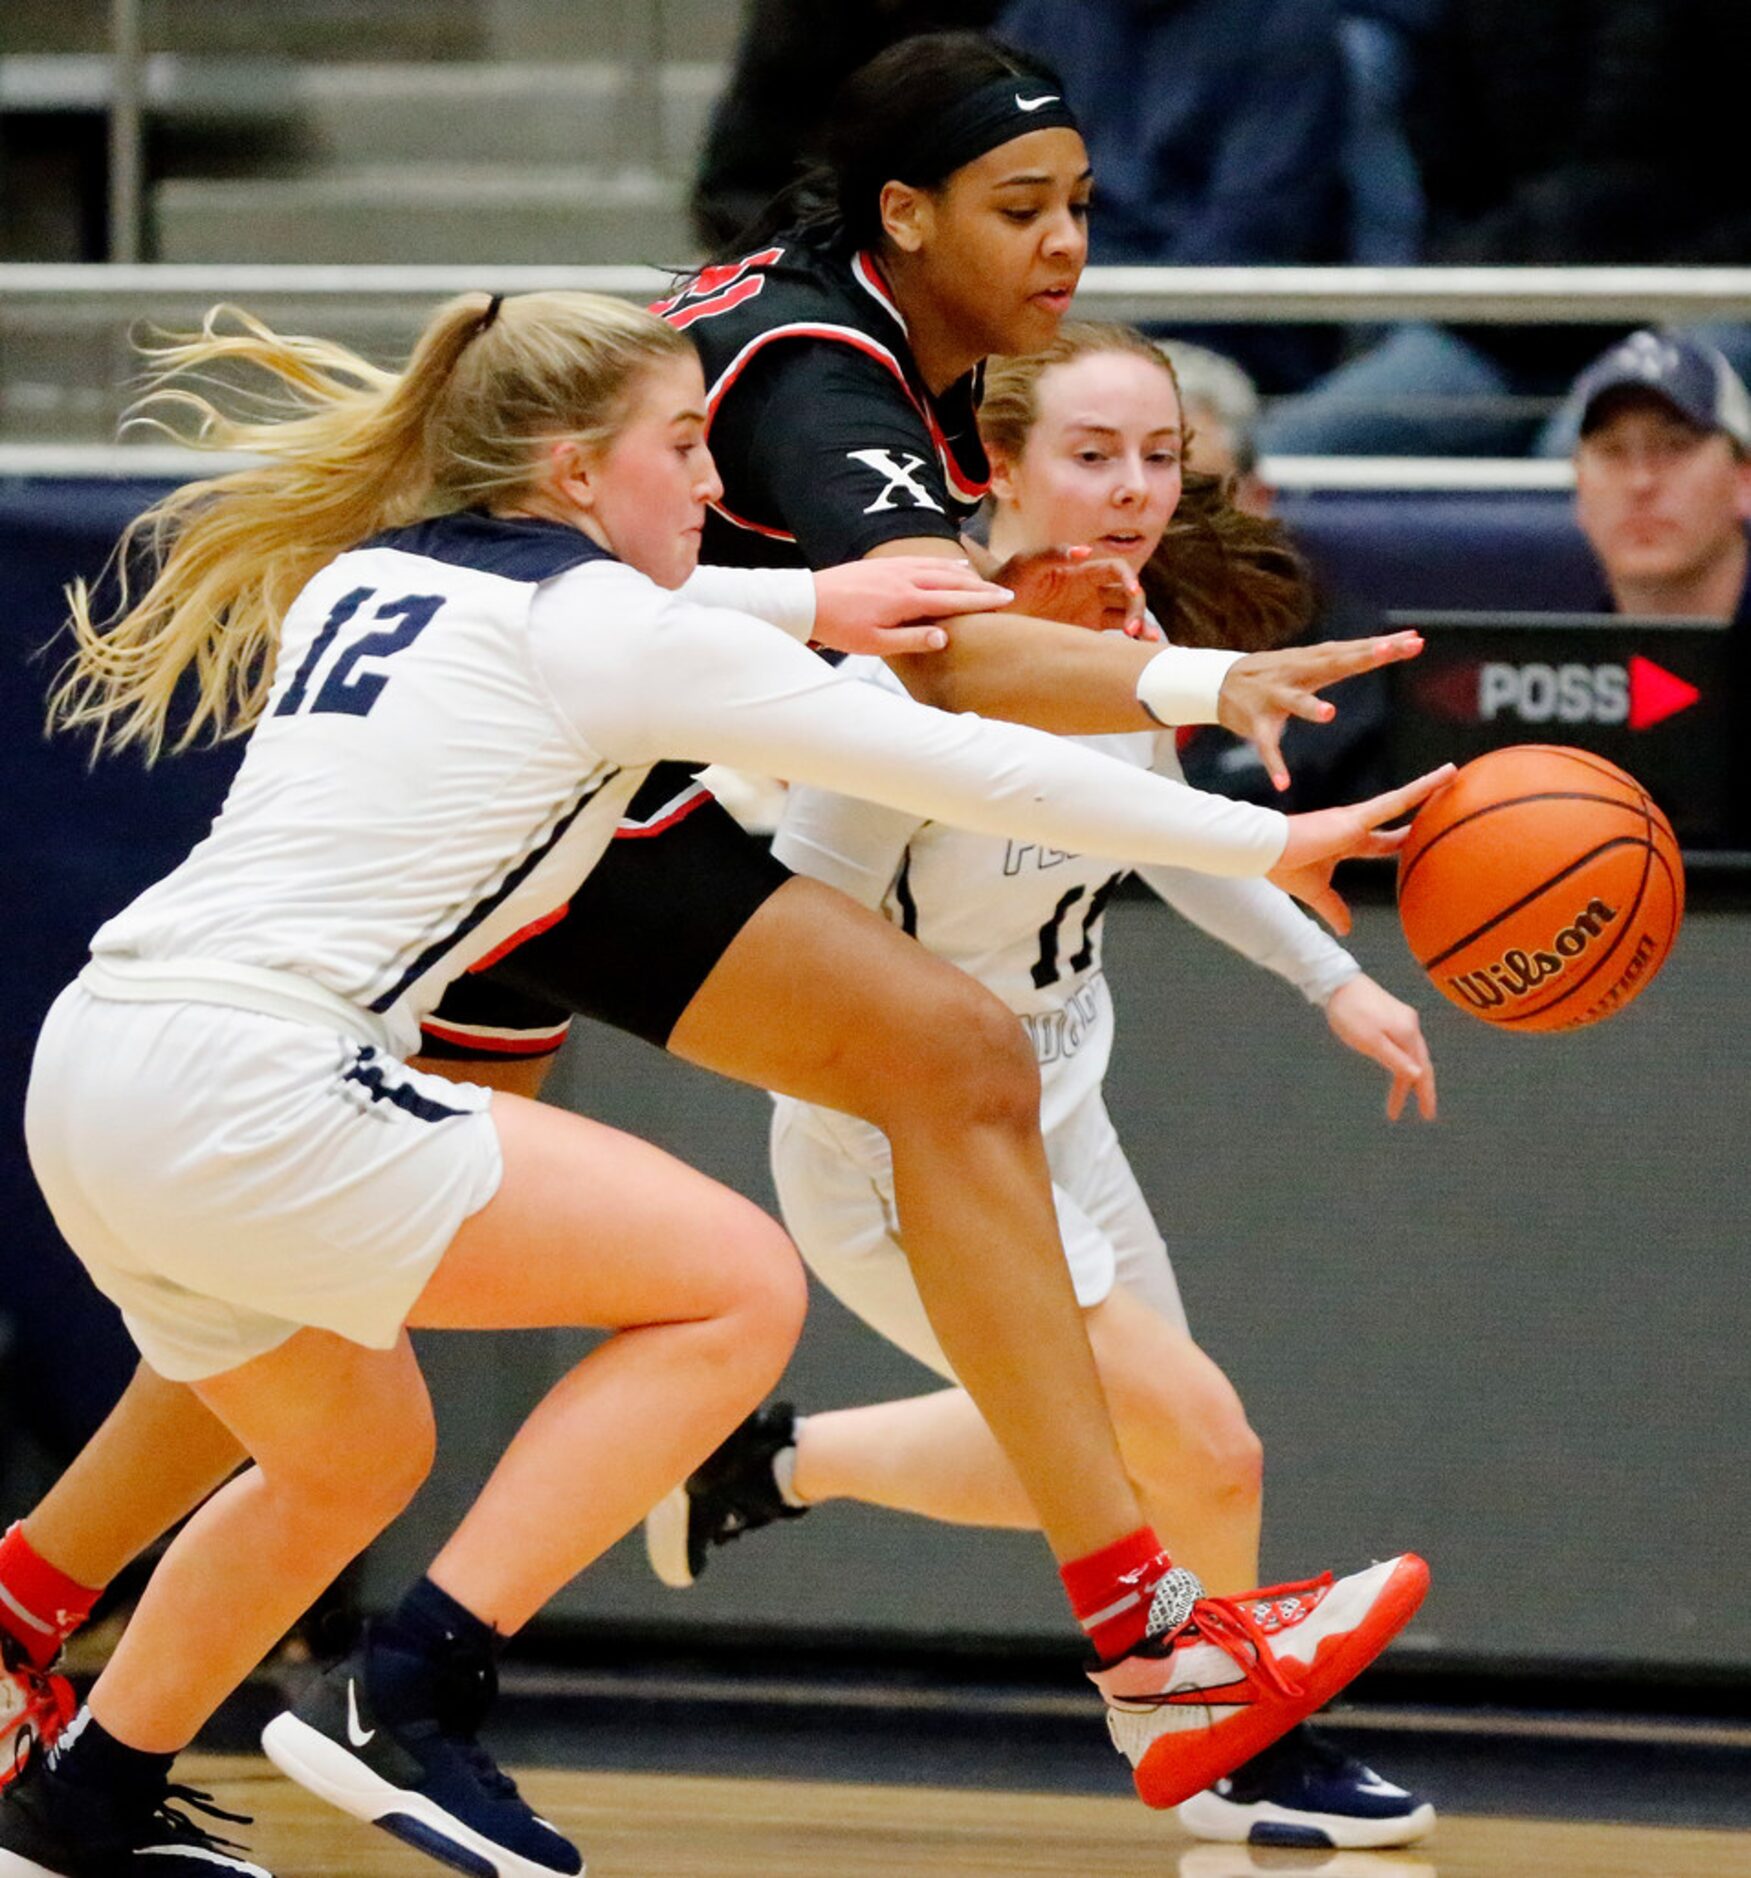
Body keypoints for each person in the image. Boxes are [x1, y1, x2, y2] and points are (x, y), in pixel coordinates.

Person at [1, 30, 1435, 1848]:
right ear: (900, 216)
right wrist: (1211, 699)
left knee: (313, 1353)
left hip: (318, 921)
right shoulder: (826, 379)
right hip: (567, 813)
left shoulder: (606, 448)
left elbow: (775, 617)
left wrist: (824, 602)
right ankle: (1146, 1645)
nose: (1067, 246)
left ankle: (43, 1640)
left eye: (1081, 205)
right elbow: (946, 684)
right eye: (1023, 209)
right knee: (924, 1088)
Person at [643, 322, 1437, 1849]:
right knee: (1201, 1443)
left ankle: (772, 1465)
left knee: (1147, 1468)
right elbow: (797, 897)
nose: (1134, 487)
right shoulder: (922, 657)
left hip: (1060, 1106)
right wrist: (925, 732)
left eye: (1157, 456)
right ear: (990, 467)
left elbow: (1162, 832)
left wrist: (1329, 977)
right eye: (1090, 454)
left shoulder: (1119, 636)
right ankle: (1232, 1747)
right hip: (906, 1138)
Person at [1259, 0, 1751, 457]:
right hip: (1510, 322)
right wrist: (1490, 281)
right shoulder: (1481, 15)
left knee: (1579, 458)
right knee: (1285, 455)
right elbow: (1447, 181)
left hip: (1699, 302)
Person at [994, 0, 1347, 395]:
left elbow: (1254, 226)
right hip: (1056, 312)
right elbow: (998, 185)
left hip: (1215, 336)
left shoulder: (1286, 19)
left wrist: (1095, 326)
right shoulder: (1042, 14)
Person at [1162, 338, 1392, 813]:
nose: (1165, 516)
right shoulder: (1040, 625)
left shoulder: (1332, 645)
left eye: (1198, 493)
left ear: (1257, 500)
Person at [1566, 327, 1751, 838]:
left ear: (1745, 479)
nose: (1641, 481)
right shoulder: (1547, 685)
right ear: (1578, 489)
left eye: (1675, 446)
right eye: (1611, 450)